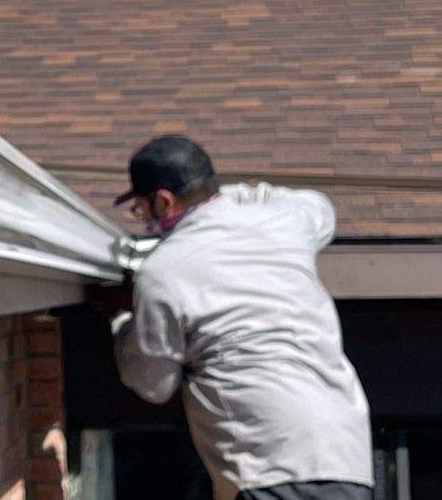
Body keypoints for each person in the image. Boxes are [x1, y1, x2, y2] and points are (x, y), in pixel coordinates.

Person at [106, 135, 373, 500]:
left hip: (267, 468)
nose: (144, 220)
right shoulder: (284, 223)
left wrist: (122, 323)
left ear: (164, 201)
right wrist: (232, 197)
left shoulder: (164, 271)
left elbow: (154, 383)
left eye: (142, 209)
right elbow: (319, 207)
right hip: (346, 457)